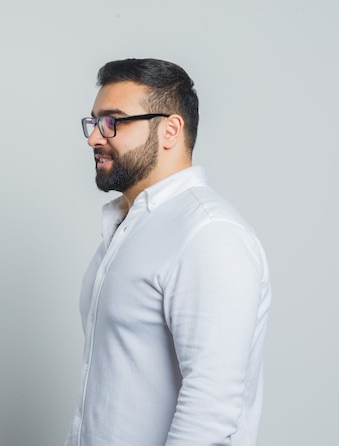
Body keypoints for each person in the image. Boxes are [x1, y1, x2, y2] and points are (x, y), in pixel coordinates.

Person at [65, 58, 271, 446]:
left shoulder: (208, 234)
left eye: (113, 121)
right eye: (93, 122)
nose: (94, 137)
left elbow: (209, 411)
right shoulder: (126, 227)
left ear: (170, 130)